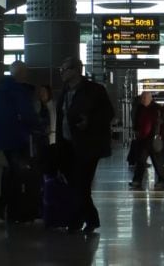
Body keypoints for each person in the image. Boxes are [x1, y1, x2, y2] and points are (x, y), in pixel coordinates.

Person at [55, 57, 114, 234]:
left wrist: (90, 121)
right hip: (67, 143)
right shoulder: (64, 92)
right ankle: (86, 219)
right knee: (75, 184)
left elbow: (108, 113)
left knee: (81, 183)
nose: (61, 72)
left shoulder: (94, 90)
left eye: (64, 69)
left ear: (75, 70)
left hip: (88, 145)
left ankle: (82, 220)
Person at [0, 61, 41, 218]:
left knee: (10, 173)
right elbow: (27, 114)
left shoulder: (0, 90)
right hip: (19, 138)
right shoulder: (19, 90)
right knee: (20, 174)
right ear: (22, 74)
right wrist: (38, 126)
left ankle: (5, 205)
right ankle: (14, 208)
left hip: (3, 139)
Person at [129, 92, 164, 190]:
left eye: (145, 98)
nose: (143, 99)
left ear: (150, 98)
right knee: (141, 160)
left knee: (157, 162)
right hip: (143, 139)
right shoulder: (140, 108)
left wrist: (160, 135)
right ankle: (137, 180)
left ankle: (162, 180)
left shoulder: (157, 108)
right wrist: (136, 130)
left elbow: (162, 122)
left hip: (153, 139)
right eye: (142, 98)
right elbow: (136, 120)